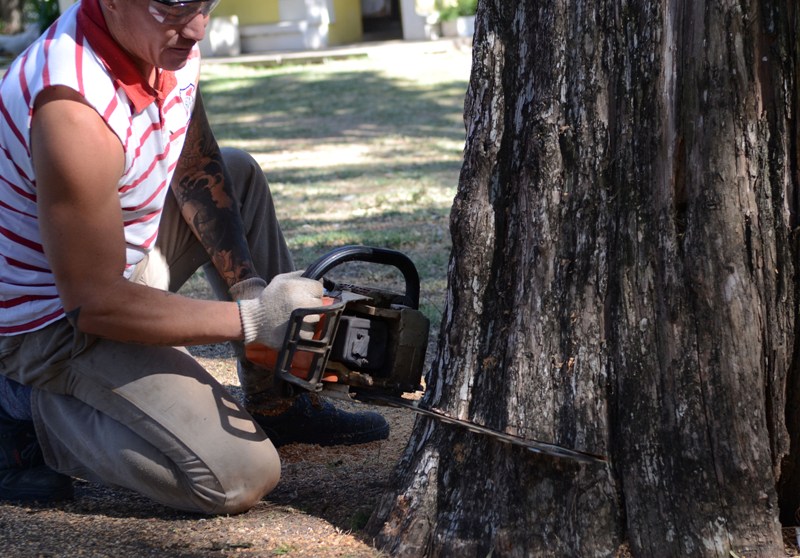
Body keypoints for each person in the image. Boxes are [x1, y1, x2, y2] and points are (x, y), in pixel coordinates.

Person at [0, 0, 389, 514]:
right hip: (45, 323)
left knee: (236, 172)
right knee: (239, 475)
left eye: (206, 1)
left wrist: (248, 284)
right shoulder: (70, 104)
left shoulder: (162, 40)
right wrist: (255, 319)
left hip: (107, 270)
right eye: (174, 4)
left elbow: (196, 166)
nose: (198, 25)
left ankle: (278, 398)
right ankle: (21, 408)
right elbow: (93, 305)